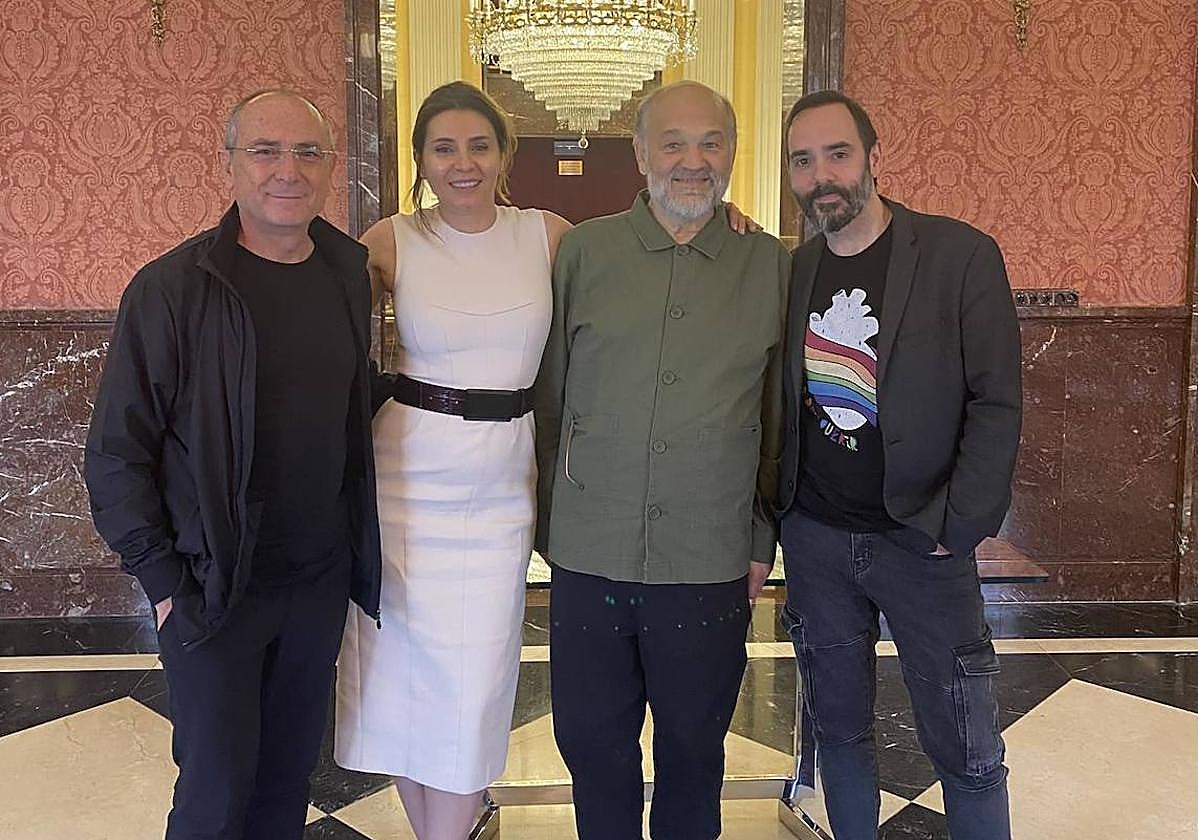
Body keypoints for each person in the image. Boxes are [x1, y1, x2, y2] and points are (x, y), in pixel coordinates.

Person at [336, 80, 760, 840]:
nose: (462, 162)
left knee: (477, 676)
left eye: (478, 145)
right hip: (405, 474)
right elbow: (319, 328)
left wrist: (723, 226)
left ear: (503, 154)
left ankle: (456, 821)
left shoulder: (555, 236)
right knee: (399, 672)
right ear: (421, 161)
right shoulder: (388, 239)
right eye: (443, 148)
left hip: (502, 476)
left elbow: (641, 271)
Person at [84, 89, 383, 839]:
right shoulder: (173, 289)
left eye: (308, 152)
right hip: (211, 586)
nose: (289, 170)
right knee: (216, 792)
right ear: (230, 166)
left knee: (285, 786)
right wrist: (162, 586)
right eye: (266, 151)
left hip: (315, 582)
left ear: (330, 165)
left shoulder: (349, 272)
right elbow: (117, 454)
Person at [533, 80, 791, 840]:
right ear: (641, 152)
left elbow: (776, 425)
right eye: (673, 143)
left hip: (707, 557)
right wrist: (556, 526)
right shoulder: (584, 252)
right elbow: (549, 402)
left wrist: (757, 540)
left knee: (693, 746)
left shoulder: (770, 264)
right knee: (590, 742)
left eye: (711, 143)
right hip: (591, 553)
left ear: (734, 156)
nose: (692, 161)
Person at [777, 89, 1022, 840]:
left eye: (838, 153)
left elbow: (996, 400)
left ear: (874, 157)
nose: (822, 175)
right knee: (842, 739)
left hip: (923, 542)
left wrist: (961, 526)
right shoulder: (793, 271)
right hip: (817, 542)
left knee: (968, 747)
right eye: (803, 160)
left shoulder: (959, 255)